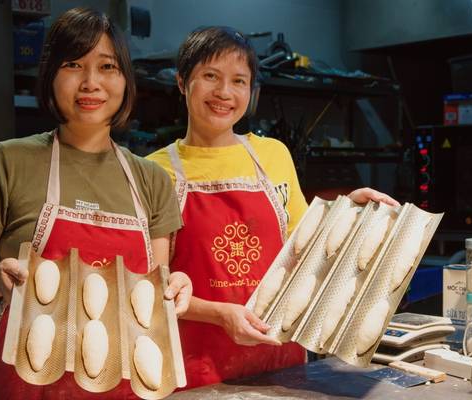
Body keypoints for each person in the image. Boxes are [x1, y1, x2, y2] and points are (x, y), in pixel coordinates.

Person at [0, 8, 191, 399]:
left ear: (124, 79)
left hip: (126, 388)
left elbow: (152, 291)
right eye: (74, 64)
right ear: (51, 75)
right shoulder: (8, 161)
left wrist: (173, 287)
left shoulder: (152, 180)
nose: (91, 82)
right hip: (27, 385)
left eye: (107, 66)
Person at [147, 26, 399, 389]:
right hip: (196, 365)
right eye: (210, 77)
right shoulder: (156, 171)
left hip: (279, 356)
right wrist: (220, 315)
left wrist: (348, 213)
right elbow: (153, 285)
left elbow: (304, 248)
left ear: (252, 92)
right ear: (183, 82)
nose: (224, 92)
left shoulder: (273, 155)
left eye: (239, 80)